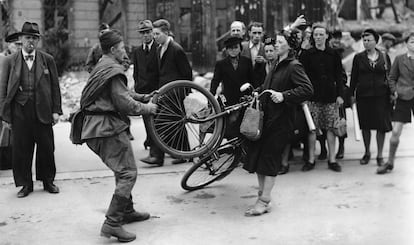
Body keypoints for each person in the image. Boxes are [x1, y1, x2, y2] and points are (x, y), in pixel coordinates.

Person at [80, 29, 157, 242]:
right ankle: (112, 223)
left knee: (122, 169)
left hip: (101, 125)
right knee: (127, 173)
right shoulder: (112, 69)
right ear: (113, 49)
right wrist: (148, 108)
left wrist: (142, 96)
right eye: (122, 48)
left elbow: (121, 92)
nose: (124, 51)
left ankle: (127, 211)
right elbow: (124, 103)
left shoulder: (103, 65)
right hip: (105, 127)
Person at [243, 30, 313, 216]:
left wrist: (284, 96)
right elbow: (269, 87)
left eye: (280, 42)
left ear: (289, 46)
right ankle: (263, 196)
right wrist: (257, 91)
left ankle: (264, 201)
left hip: (281, 121)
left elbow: (307, 89)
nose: (275, 44)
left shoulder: (294, 66)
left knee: (270, 160)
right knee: (258, 159)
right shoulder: (276, 64)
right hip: (266, 119)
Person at [0, 22, 62, 197]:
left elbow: (55, 87)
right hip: (19, 111)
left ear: (38, 41)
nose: (31, 42)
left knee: (46, 148)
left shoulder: (47, 59)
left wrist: (56, 110)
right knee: (21, 149)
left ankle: (48, 181)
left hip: (43, 110)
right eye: (28, 38)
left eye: (34, 38)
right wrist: (5, 115)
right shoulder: (10, 61)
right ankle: (25, 184)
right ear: (21, 39)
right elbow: (3, 88)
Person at [140, 19, 192, 166]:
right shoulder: (159, 48)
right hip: (164, 93)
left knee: (158, 123)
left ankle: (157, 156)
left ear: (166, 33)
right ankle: (184, 154)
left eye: (157, 34)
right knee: (177, 123)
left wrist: (184, 94)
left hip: (174, 94)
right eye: (153, 33)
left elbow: (186, 73)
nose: (154, 36)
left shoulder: (176, 49)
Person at [299, 24, 345, 172]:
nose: (318, 37)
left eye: (321, 34)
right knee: (312, 130)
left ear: (326, 36)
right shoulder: (306, 55)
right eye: (316, 35)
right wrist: (304, 96)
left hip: (330, 97)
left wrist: (340, 95)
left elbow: (339, 76)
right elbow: (302, 77)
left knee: (331, 129)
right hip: (312, 98)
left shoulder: (334, 54)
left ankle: (332, 159)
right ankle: (311, 159)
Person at [350, 28, 392, 167]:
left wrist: (392, 93)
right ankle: (367, 152)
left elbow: (390, 77)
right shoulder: (358, 57)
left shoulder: (384, 56)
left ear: (376, 41)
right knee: (365, 126)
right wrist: (351, 95)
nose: (366, 43)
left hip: (381, 96)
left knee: (381, 126)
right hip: (364, 97)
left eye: (369, 40)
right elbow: (354, 78)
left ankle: (380, 155)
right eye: (364, 40)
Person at [377, 32, 414, 174]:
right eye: (412, 42)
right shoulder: (399, 59)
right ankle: (390, 162)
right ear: (406, 44)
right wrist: (394, 91)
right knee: (396, 130)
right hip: (403, 97)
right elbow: (391, 78)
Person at [210, 36, 254, 138]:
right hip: (228, 100)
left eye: (235, 47)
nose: (233, 50)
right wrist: (210, 97)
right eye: (230, 48)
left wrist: (253, 94)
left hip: (244, 99)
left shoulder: (246, 62)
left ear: (240, 49)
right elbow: (215, 81)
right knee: (229, 127)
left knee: (244, 127)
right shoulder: (221, 64)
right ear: (226, 50)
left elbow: (253, 80)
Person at [130, 20, 159, 151]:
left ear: (152, 32)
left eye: (148, 32)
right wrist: (137, 86)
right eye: (142, 33)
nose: (145, 35)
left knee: (157, 117)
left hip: (155, 90)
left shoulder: (158, 48)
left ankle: (157, 143)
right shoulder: (137, 51)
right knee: (146, 117)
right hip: (143, 91)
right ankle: (150, 139)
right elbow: (136, 71)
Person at [0, 32, 23, 170]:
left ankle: (11, 161)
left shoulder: (20, 59)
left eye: (20, 45)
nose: (19, 47)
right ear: (9, 45)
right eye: (16, 44)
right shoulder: (3, 59)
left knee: (13, 136)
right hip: (4, 102)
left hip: (17, 104)